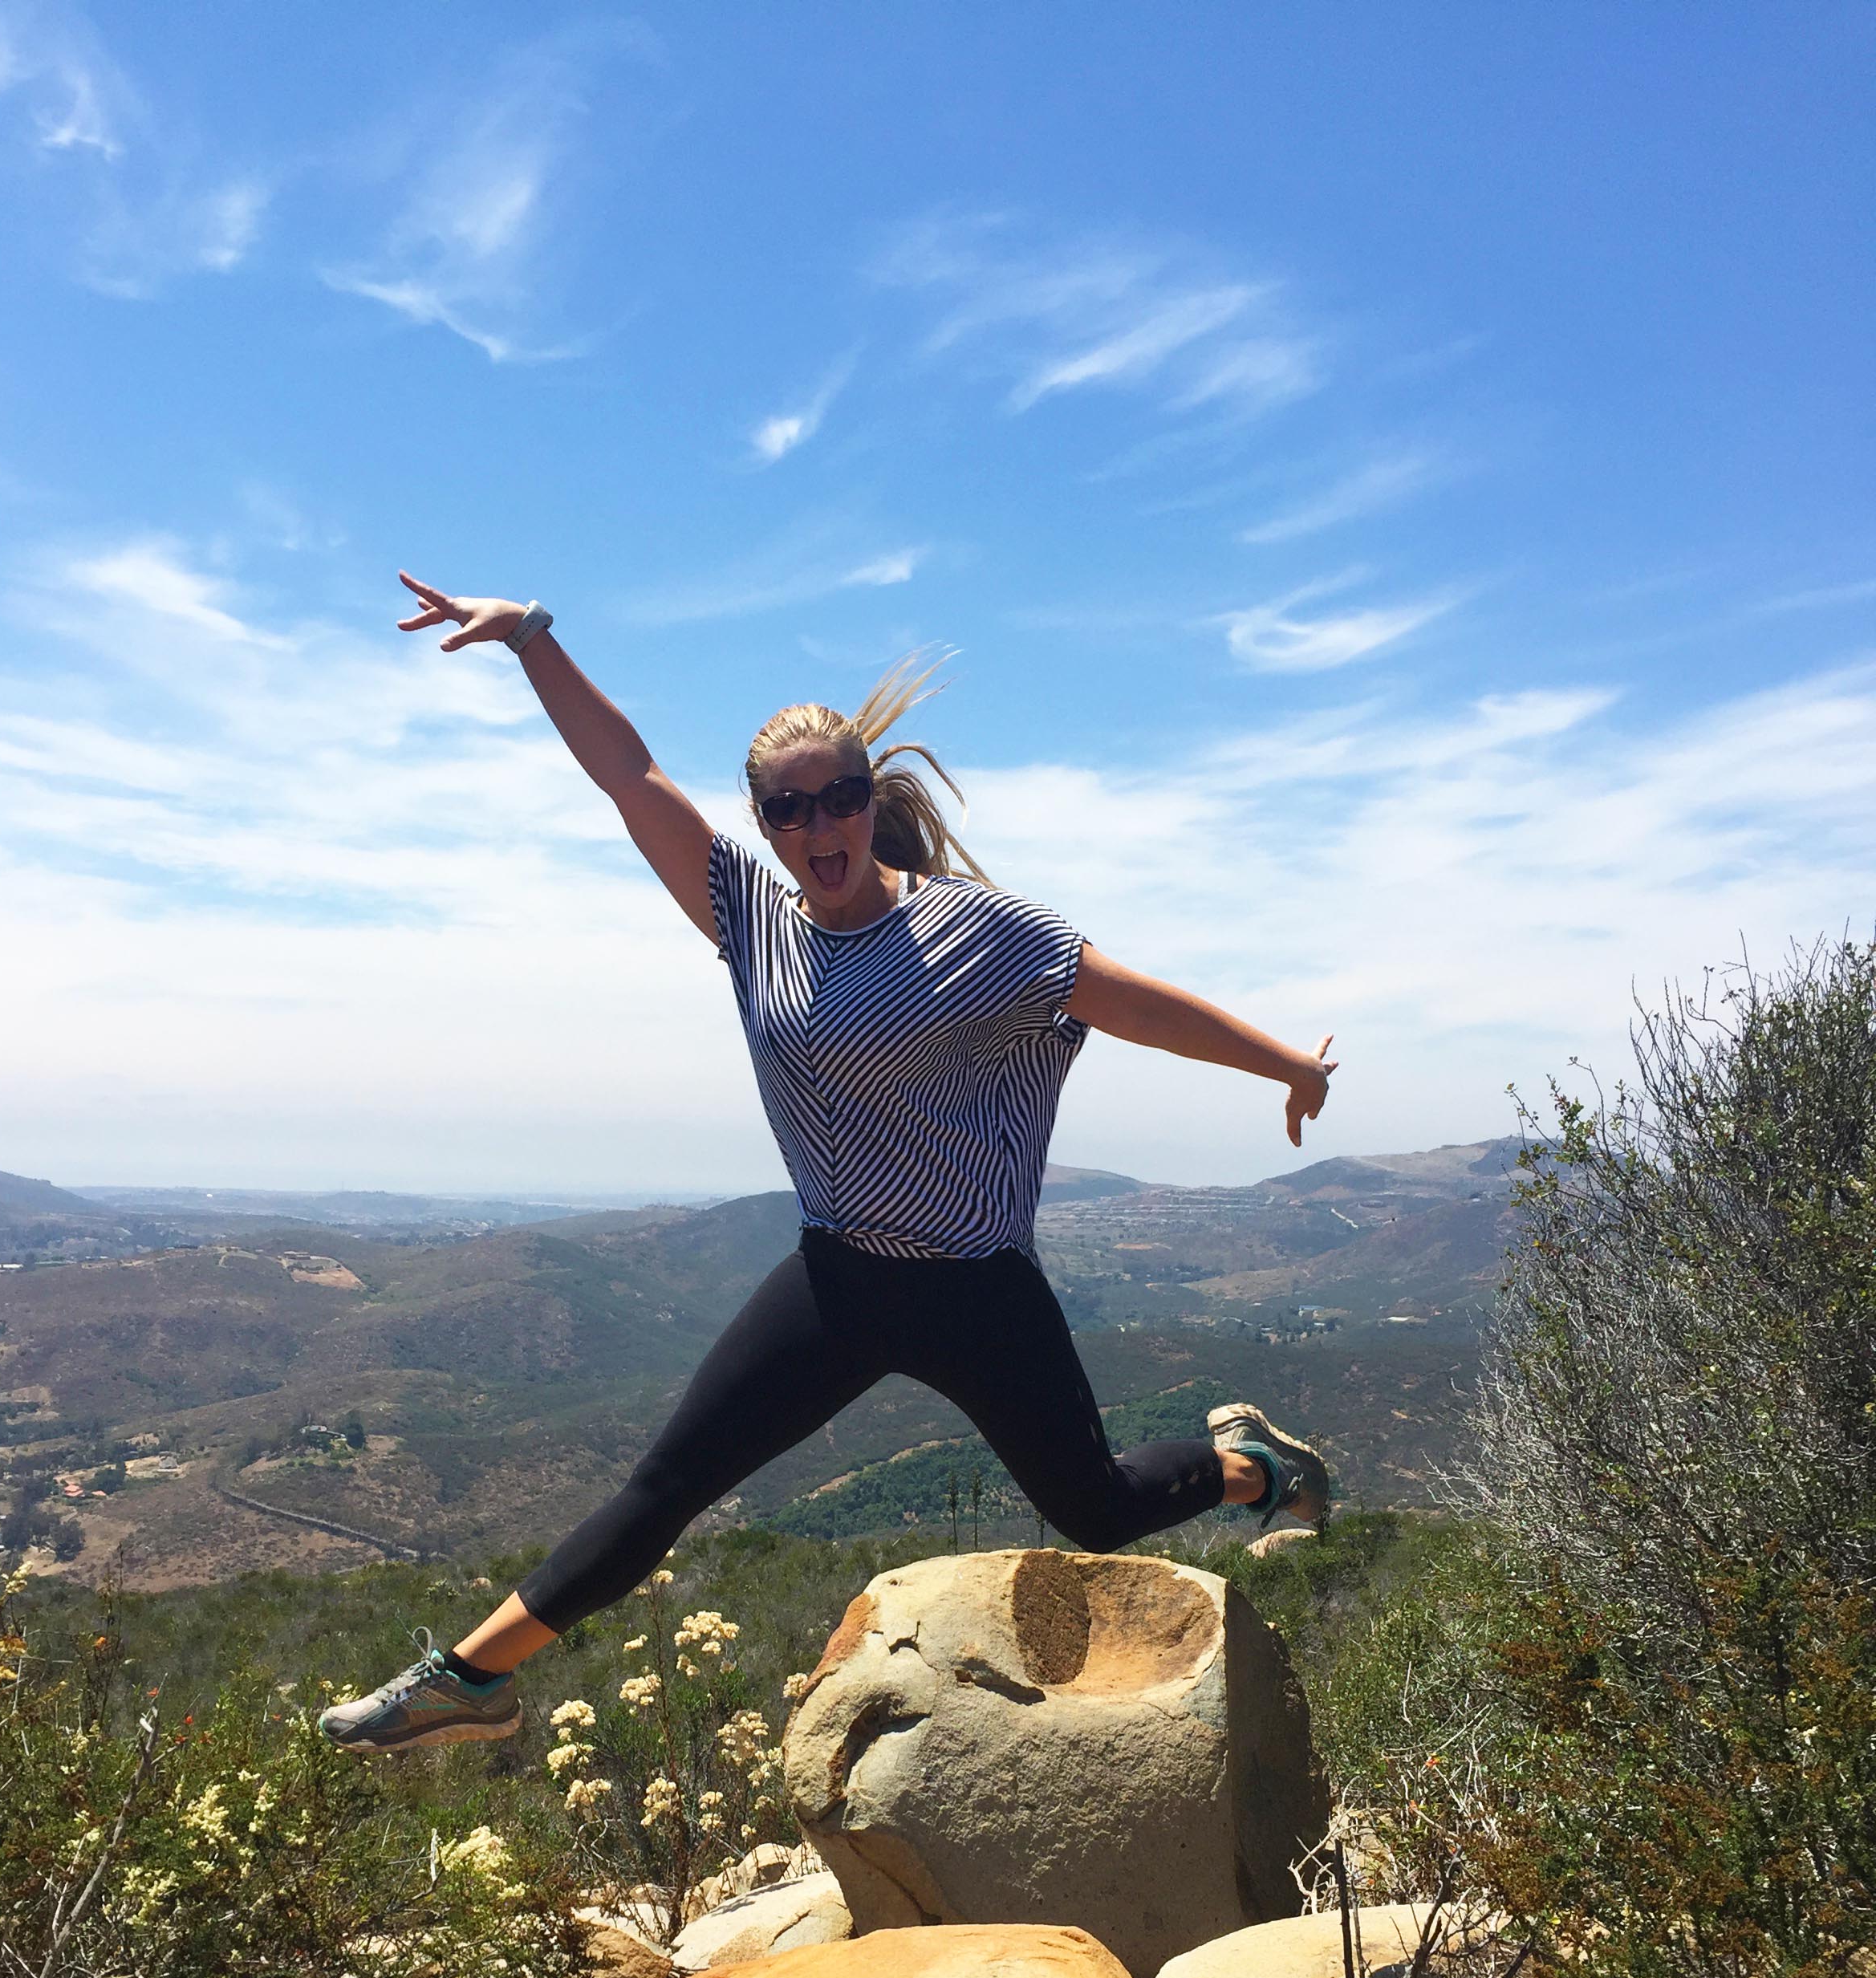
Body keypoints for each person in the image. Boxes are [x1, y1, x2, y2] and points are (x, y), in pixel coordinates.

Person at [321, 575, 1339, 1757]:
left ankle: (1250, 1468)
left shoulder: (980, 930)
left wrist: (1287, 1070)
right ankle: (469, 1679)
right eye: (790, 810)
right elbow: (628, 776)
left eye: (841, 799)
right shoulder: (752, 923)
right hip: (835, 1282)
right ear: (764, 825)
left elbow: (1137, 1005)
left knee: (1098, 1510)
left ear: (870, 800)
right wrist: (538, 642)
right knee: (664, 1491)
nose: (821, 829)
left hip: (977, 1291)